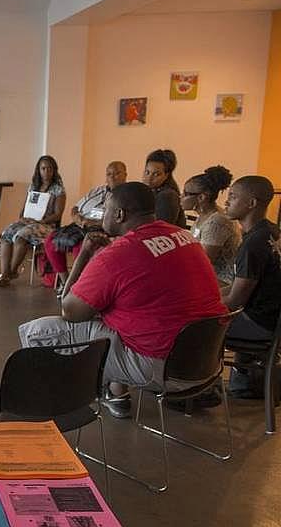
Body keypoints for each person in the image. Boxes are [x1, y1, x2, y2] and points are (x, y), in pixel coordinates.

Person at [18, 182, 227, 419]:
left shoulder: (118, 255)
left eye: (105, 209)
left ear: (119, 214)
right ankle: (116, 394)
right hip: (205, 365)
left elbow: (69, 311)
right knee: (116, 313)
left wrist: (85, 255)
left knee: (41, 330)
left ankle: (53, 413)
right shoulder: (183, 235)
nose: (102, 215)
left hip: (159, 368)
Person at [221, 175, 281, 398]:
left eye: (233, 197)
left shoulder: (253, 243)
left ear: (252, 203)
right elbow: (241, 284)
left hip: (260, 324)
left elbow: (236, 300)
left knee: (191, 326)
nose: (227, 202)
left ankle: (193, 390)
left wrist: (199, 306)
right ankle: (244, 383)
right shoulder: (272, 231)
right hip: (273, 320)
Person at [44, 161, 126, 289]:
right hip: (80, 225)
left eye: (117, 173)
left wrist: (95, 223)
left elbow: (119, 220)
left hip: (102, 228)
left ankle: (80, 285)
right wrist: (77, 218)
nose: (112, 177)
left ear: (125, 175)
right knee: (50, 240)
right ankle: (66, 282)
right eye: (109, 174)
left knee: (81, 247)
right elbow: (75, 208)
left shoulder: (126, 195)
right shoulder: (97, 191)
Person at [0, 155, 67, 288]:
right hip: (28, 221)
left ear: (54, 170)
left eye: (50, 168)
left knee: (22, 236)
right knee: (6, 234)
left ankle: (12, 272)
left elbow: (57, 214)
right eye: (43, 168)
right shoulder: (34, 186)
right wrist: (23, 218)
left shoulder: (58, 189)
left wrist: (40, 220)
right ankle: (4, 274)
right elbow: (24, 209)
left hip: (46, 225)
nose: (46, 171)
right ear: (38, 170)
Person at [180, 166, 239, 288]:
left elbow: (203, 261)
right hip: (208, 276)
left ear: (201, 197)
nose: (180, 197)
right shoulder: (203, 216)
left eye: (185, 193)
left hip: (222, 281)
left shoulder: (217, 222)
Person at [143, 148, 186, 227]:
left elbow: (160, 229)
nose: (149, 178)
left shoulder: (168, 196)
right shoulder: (149, 190)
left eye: (156, 174)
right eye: (147, 172)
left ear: (166, 175)